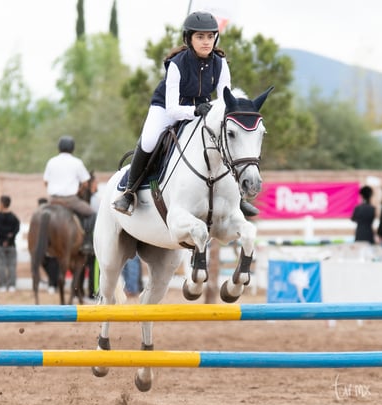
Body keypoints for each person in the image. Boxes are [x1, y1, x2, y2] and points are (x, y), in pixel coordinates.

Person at [112, 11, 258, 218]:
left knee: (223, 140)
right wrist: (194, 110)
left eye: (210, 37)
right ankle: (129, 191)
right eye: (200, 37)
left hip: (202, 108)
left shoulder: (220, 62)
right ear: (188, 38)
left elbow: (224, 98)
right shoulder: (177, 64)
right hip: (166, 108)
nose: (206, 42)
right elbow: (172, 108)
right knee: (150, 140)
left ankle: (237, 198)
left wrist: (217, 113)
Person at [43, 135, 96, 254]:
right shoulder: (77, 162)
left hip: (53, 200)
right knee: (92, 214)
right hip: (70, 200)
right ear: (72, 148)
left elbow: (45, 181)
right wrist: (79, 191)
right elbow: (85, 183)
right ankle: (87, 242)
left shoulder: (51, 161)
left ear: (59, 148)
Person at [0, 195, 20, 292]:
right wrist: (9, 238)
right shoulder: (14, 218)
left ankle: (2, 285)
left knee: (0, 265)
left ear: (1, 204)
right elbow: (16, 230)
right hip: (11, 245)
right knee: (12, 266)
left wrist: (3, 239)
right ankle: (12, 285)